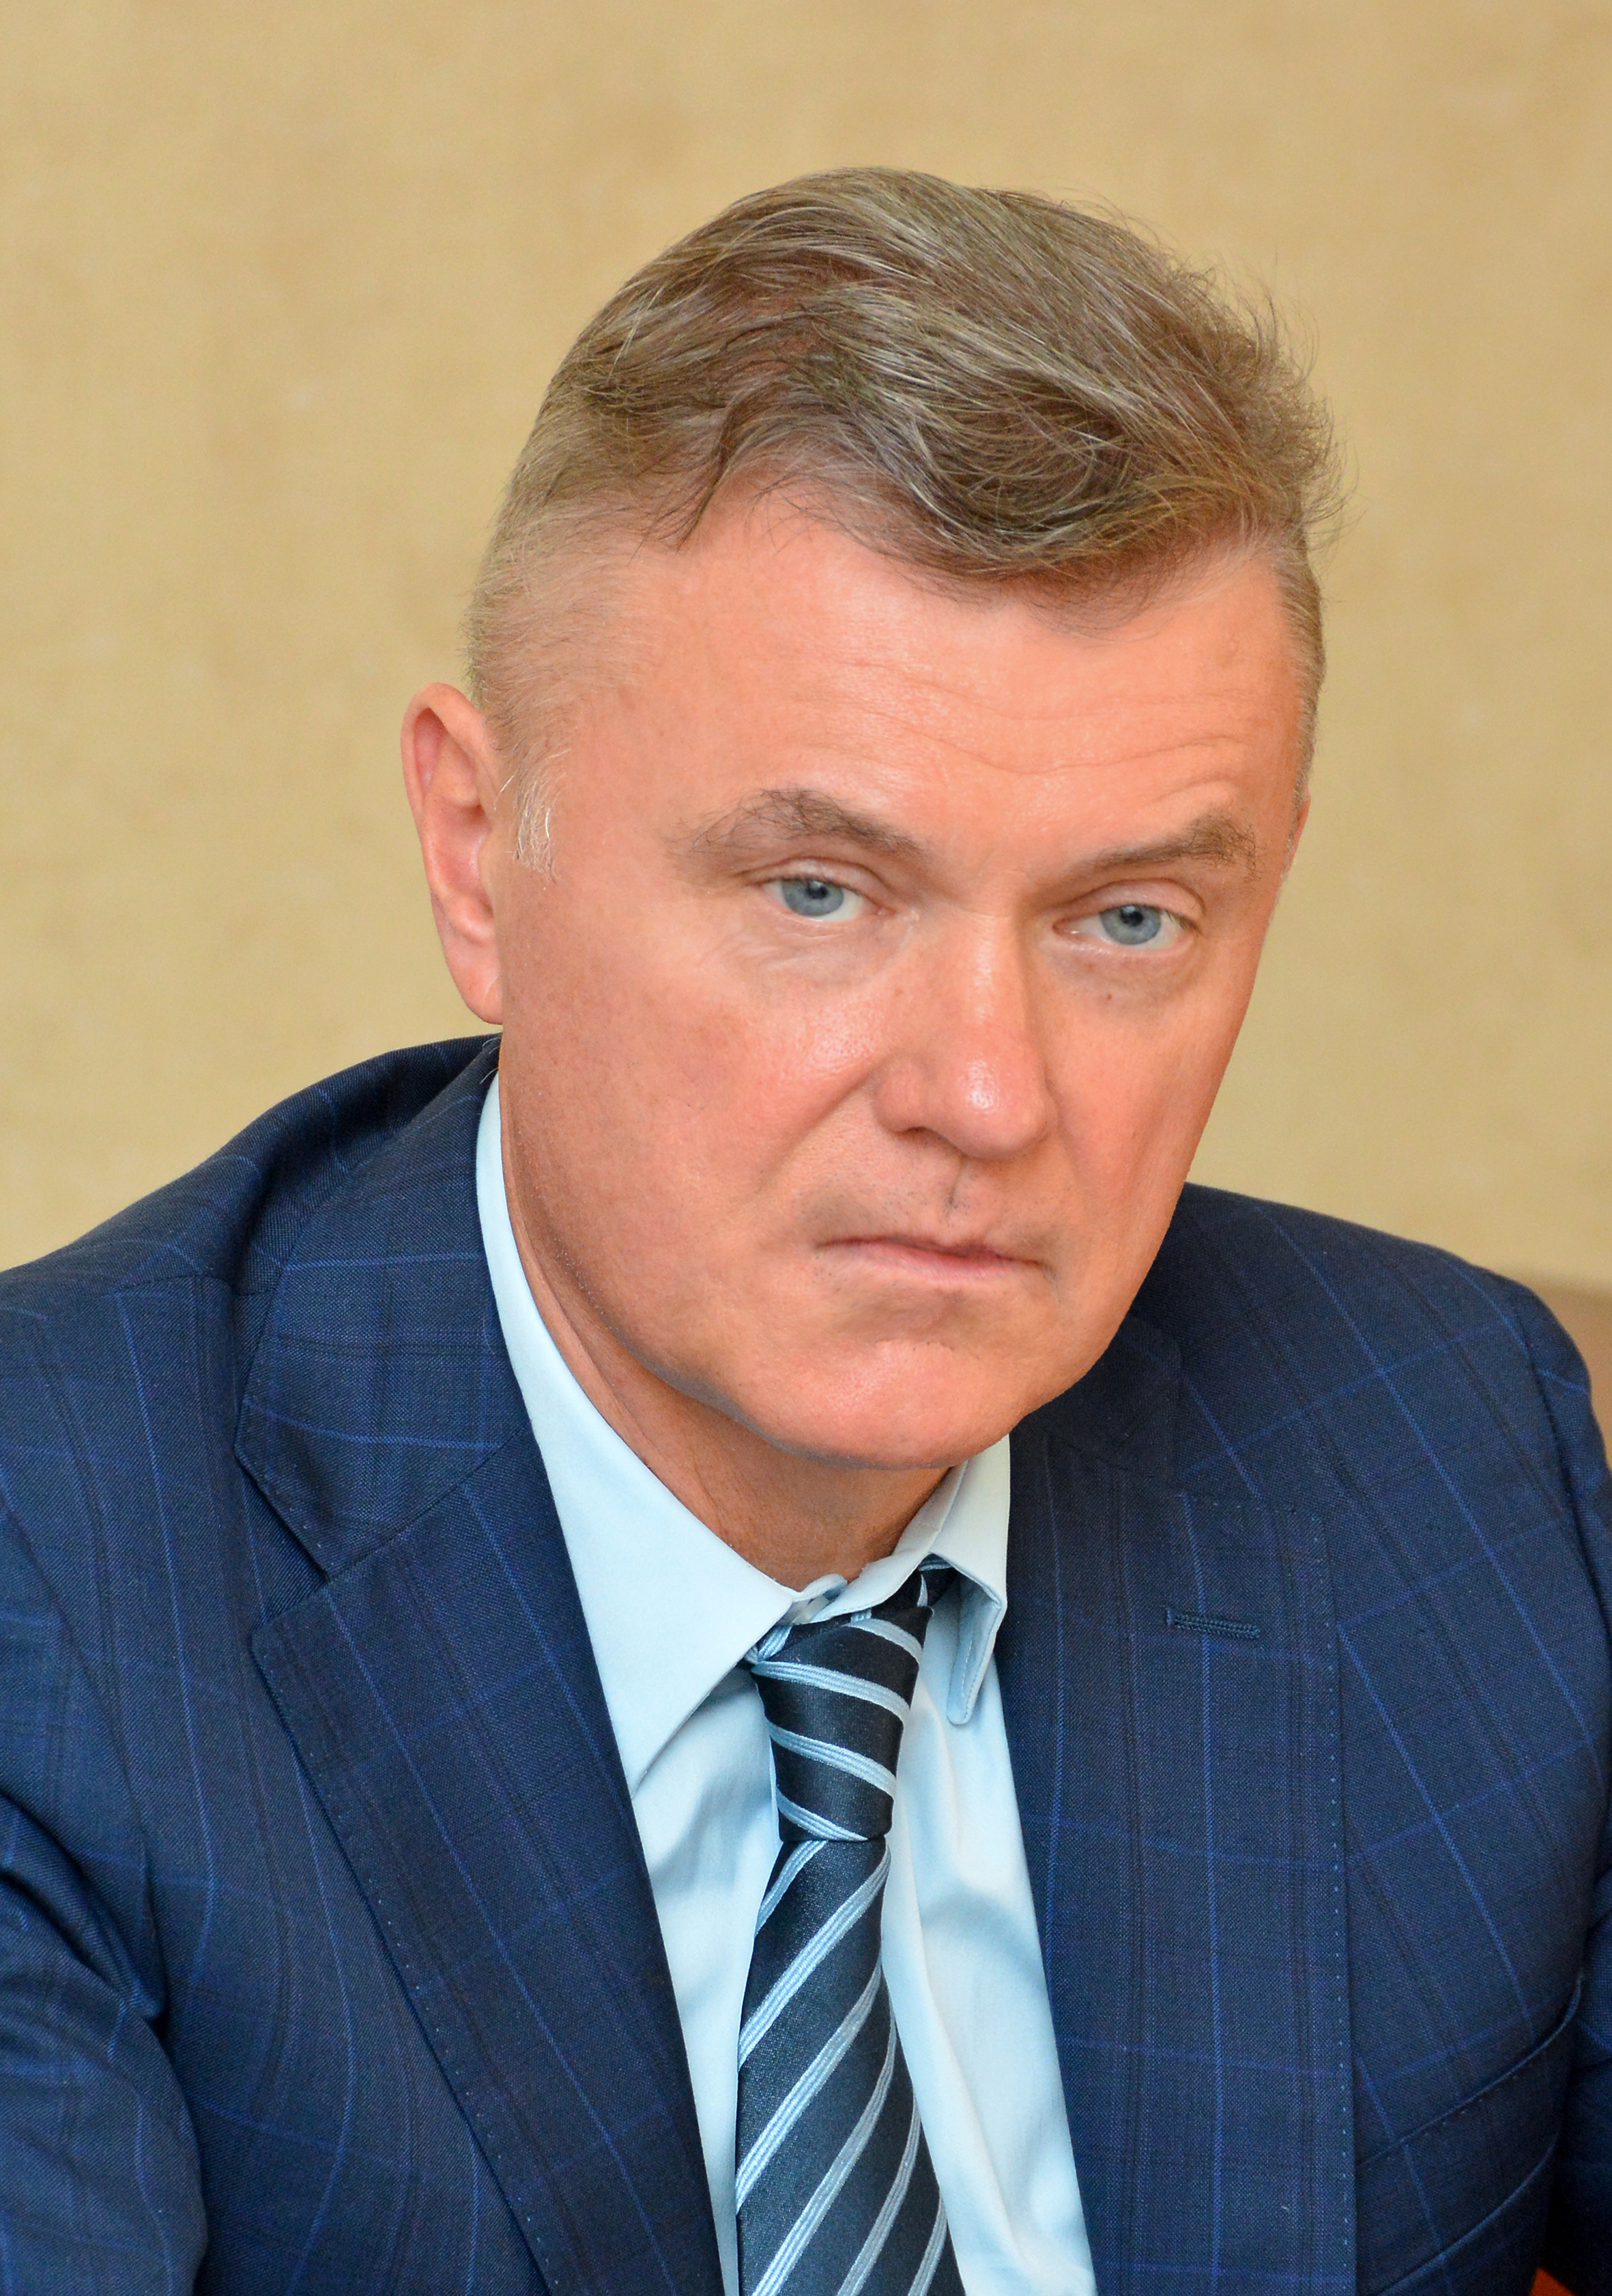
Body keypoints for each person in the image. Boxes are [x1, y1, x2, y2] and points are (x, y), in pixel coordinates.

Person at [0, 167, 1606, 2296]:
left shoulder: (1441, 1453)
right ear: (477, 854)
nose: (985, 1094)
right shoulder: (56, 1580)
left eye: (1128, 918)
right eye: (818, 893)